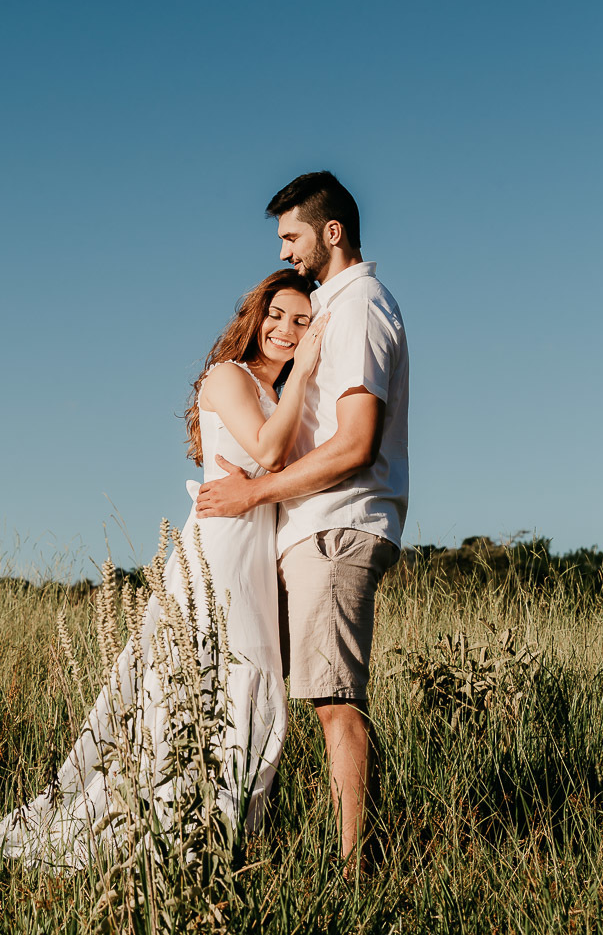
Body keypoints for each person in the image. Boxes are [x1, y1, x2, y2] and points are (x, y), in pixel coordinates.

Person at [0, 269, 328, 869]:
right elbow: (270, 451)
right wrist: (305, 369)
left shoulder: (285, 397)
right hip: (220, 550)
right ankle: (168, 837)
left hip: (258, 553)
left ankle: (216, 838)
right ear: (255, 316)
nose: (285, 329)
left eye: (303, 322)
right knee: (201, 683)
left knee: (251, 692)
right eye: (277, 314)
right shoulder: (228, 377)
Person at [196, 171, 409, 863]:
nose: (287, 250)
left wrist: (255, 495)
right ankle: (253, 835)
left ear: (332, 232)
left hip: (334, 525)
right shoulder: (331, 312)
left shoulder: (358, 307)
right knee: (288, 697)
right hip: (305, 530)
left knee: (333, 701)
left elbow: (356, 443)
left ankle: (356, 870)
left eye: (293, 236)